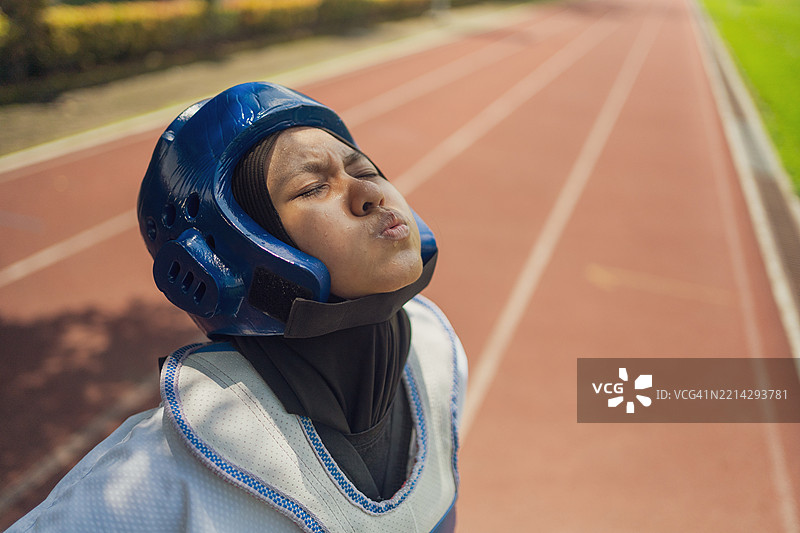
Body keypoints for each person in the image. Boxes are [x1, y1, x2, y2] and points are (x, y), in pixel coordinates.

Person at [8, 82, 467, 532]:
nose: (370, 194)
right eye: (312, 188)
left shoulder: (436, 356)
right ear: (239, 252)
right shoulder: (155, 480)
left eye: (364, 171)